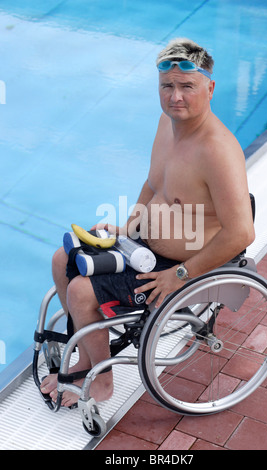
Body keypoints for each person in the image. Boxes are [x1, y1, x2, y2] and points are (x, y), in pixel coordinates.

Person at [41, 38, 255, 407]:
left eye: (187, 86)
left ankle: (102, 376)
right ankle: (87, 358)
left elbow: (241, 232)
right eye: (167, 86)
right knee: (63, 260)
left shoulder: (217, 150)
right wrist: (127, 231)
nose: (175, 97)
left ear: (210, 87)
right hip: (143, 246)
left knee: (81, 291)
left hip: (180, 266)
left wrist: (181, 274)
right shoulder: (168, 123)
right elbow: (153, 185)